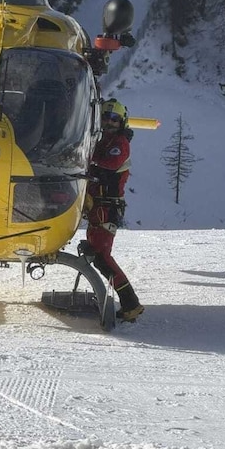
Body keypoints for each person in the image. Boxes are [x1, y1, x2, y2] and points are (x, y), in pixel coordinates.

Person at [79, 99, 144, 322]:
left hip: (107, 207)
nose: (109, 122)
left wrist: (85, 158)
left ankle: (131, 303)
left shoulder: (119, 143)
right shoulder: (102, 140)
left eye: (114, 119)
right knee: (98, 255)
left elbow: (109, 165)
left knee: (102, 257)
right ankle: (129, 303)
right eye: (105, 117)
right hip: (97, 206)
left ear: (121, 122)